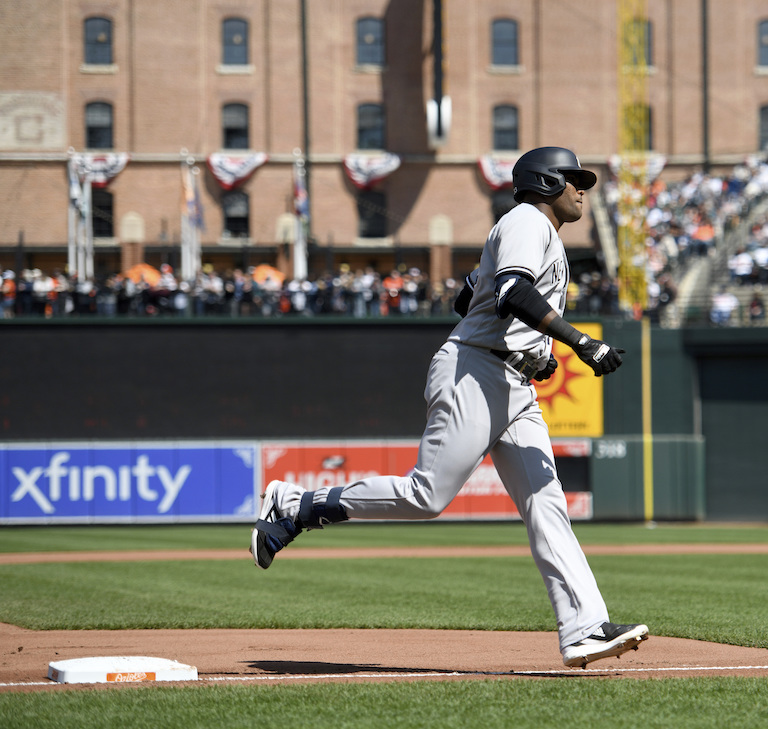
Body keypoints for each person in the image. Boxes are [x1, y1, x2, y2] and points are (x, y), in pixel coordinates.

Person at [250, 147, 649, 668]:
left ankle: (585, 628)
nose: (582, 190)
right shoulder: (528, 219)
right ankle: (297, 505)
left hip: (507, 380)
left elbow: (472, 300)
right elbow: (510, 291)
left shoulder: (527, 230)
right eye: (575, 179)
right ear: (547, 181)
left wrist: (535, 352)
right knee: (426, 495)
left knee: (547, 502)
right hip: (475, 372)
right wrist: (579, 343)